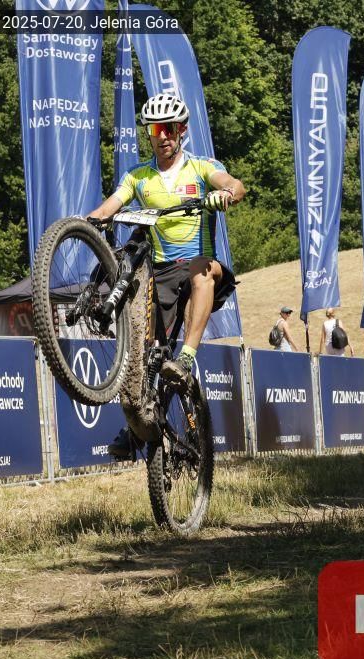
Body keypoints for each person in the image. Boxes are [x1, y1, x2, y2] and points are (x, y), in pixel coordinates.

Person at [88, 93, 246, 459]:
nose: (163, 136)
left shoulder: (201, 167)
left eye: (169, 129)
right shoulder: (138, 176)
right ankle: (138, 426)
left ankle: (187, 356)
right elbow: (112, 204)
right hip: (160, 274)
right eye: (156, 129)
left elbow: (234, 184)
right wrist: (87, 222)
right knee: (148, 356)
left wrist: (225, 194)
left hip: (200, 265)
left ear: (182, 131)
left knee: (200, 270)